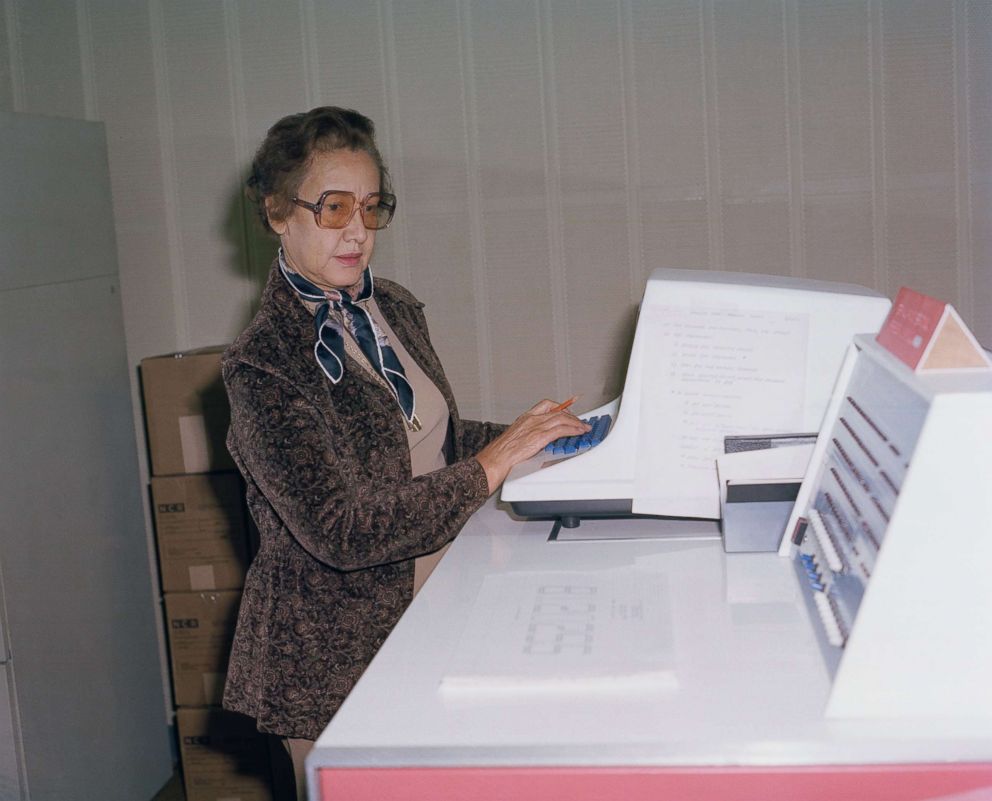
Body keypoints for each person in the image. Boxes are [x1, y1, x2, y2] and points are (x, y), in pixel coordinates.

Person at [221, 106, 589, 800]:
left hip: (439, 604)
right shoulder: (261, 364)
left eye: (371, 207)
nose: (358, 231)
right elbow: (340, 527)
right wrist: (492, 464)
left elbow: (428, 442)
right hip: (336, 651)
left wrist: (536, 440)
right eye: (332, 209)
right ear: (276, 212)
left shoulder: (391, 306)